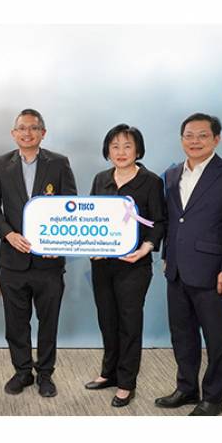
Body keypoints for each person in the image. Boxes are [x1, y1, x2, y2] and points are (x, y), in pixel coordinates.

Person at [155, 113, 222, 416]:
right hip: (176, 271)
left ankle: (213, 398)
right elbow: (173, 221)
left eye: (202, 135)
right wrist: (166, 256)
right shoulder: (172, 174)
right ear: (181, 139)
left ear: (216, 139)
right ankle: (186, 389)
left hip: (214, 273)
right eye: (189, 135)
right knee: (182, 335)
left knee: (216, 338)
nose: (194, 141)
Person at [0, 108, 77, 398]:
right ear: (14, 133)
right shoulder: (0, 164)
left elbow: (70, 207)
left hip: (48, 262)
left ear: (43, 133)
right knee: (16, 322)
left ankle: (46, 374)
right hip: (13, 260)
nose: (27, 133)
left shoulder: (59, 163)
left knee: (48, 322)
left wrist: (57, 244)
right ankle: (22, 372)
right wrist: (8, 234)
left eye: (33, 128)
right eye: (22, 128)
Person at [84, 124, 166, 407]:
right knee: (107, 320)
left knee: (129, 323)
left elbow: (159, 222)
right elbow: (91, 218)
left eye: (127, 146)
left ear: (138, 150)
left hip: (134, 265)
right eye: (115, 146)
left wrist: (146, 248)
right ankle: (109, 373)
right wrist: (90, 247)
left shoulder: (151, 182)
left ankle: (126, 382)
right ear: (107, 150)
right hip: (102, 265)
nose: (121, 152)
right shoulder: (101, 179)